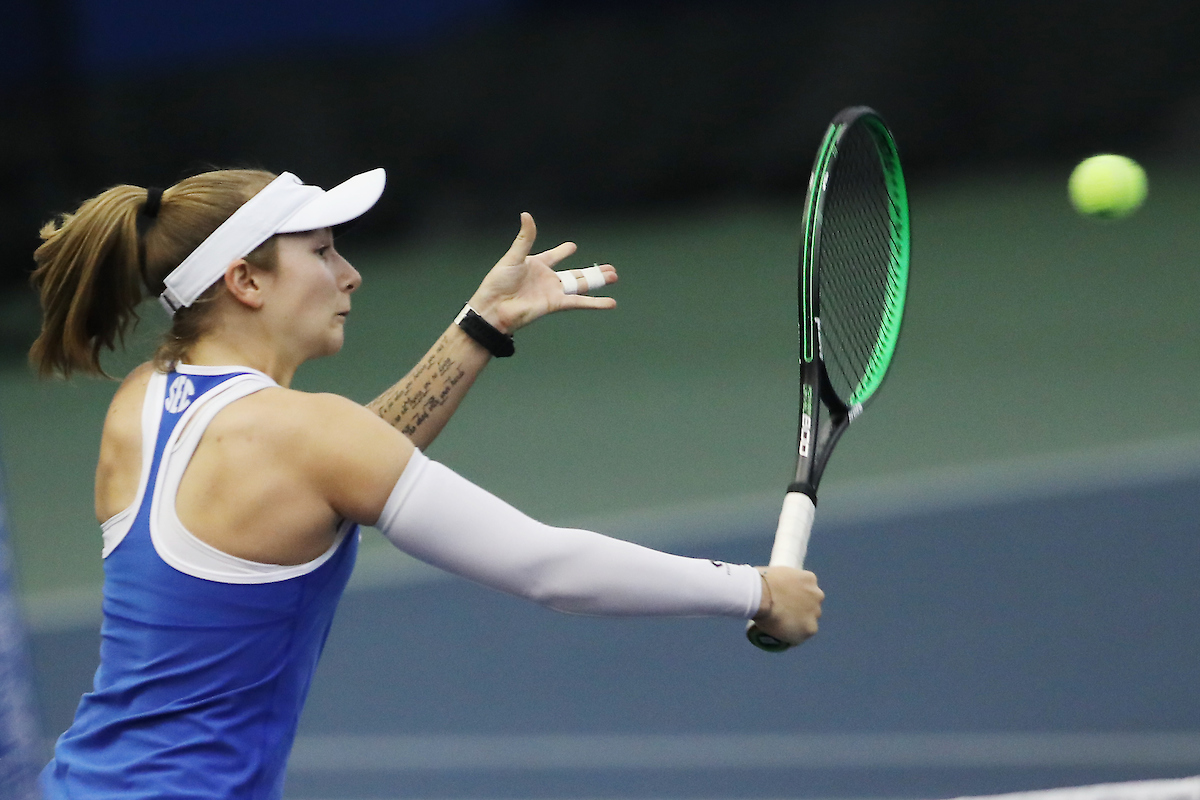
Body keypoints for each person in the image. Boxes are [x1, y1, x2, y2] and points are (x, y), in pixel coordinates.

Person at [29, 167, 825, 799]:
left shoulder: (143, 401)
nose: (352, 275)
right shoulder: (308, 436)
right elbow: (546, 566)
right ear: (246, 281)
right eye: (323, 251)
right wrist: (754, 590)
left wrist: (478, 328)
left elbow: (335, 466)